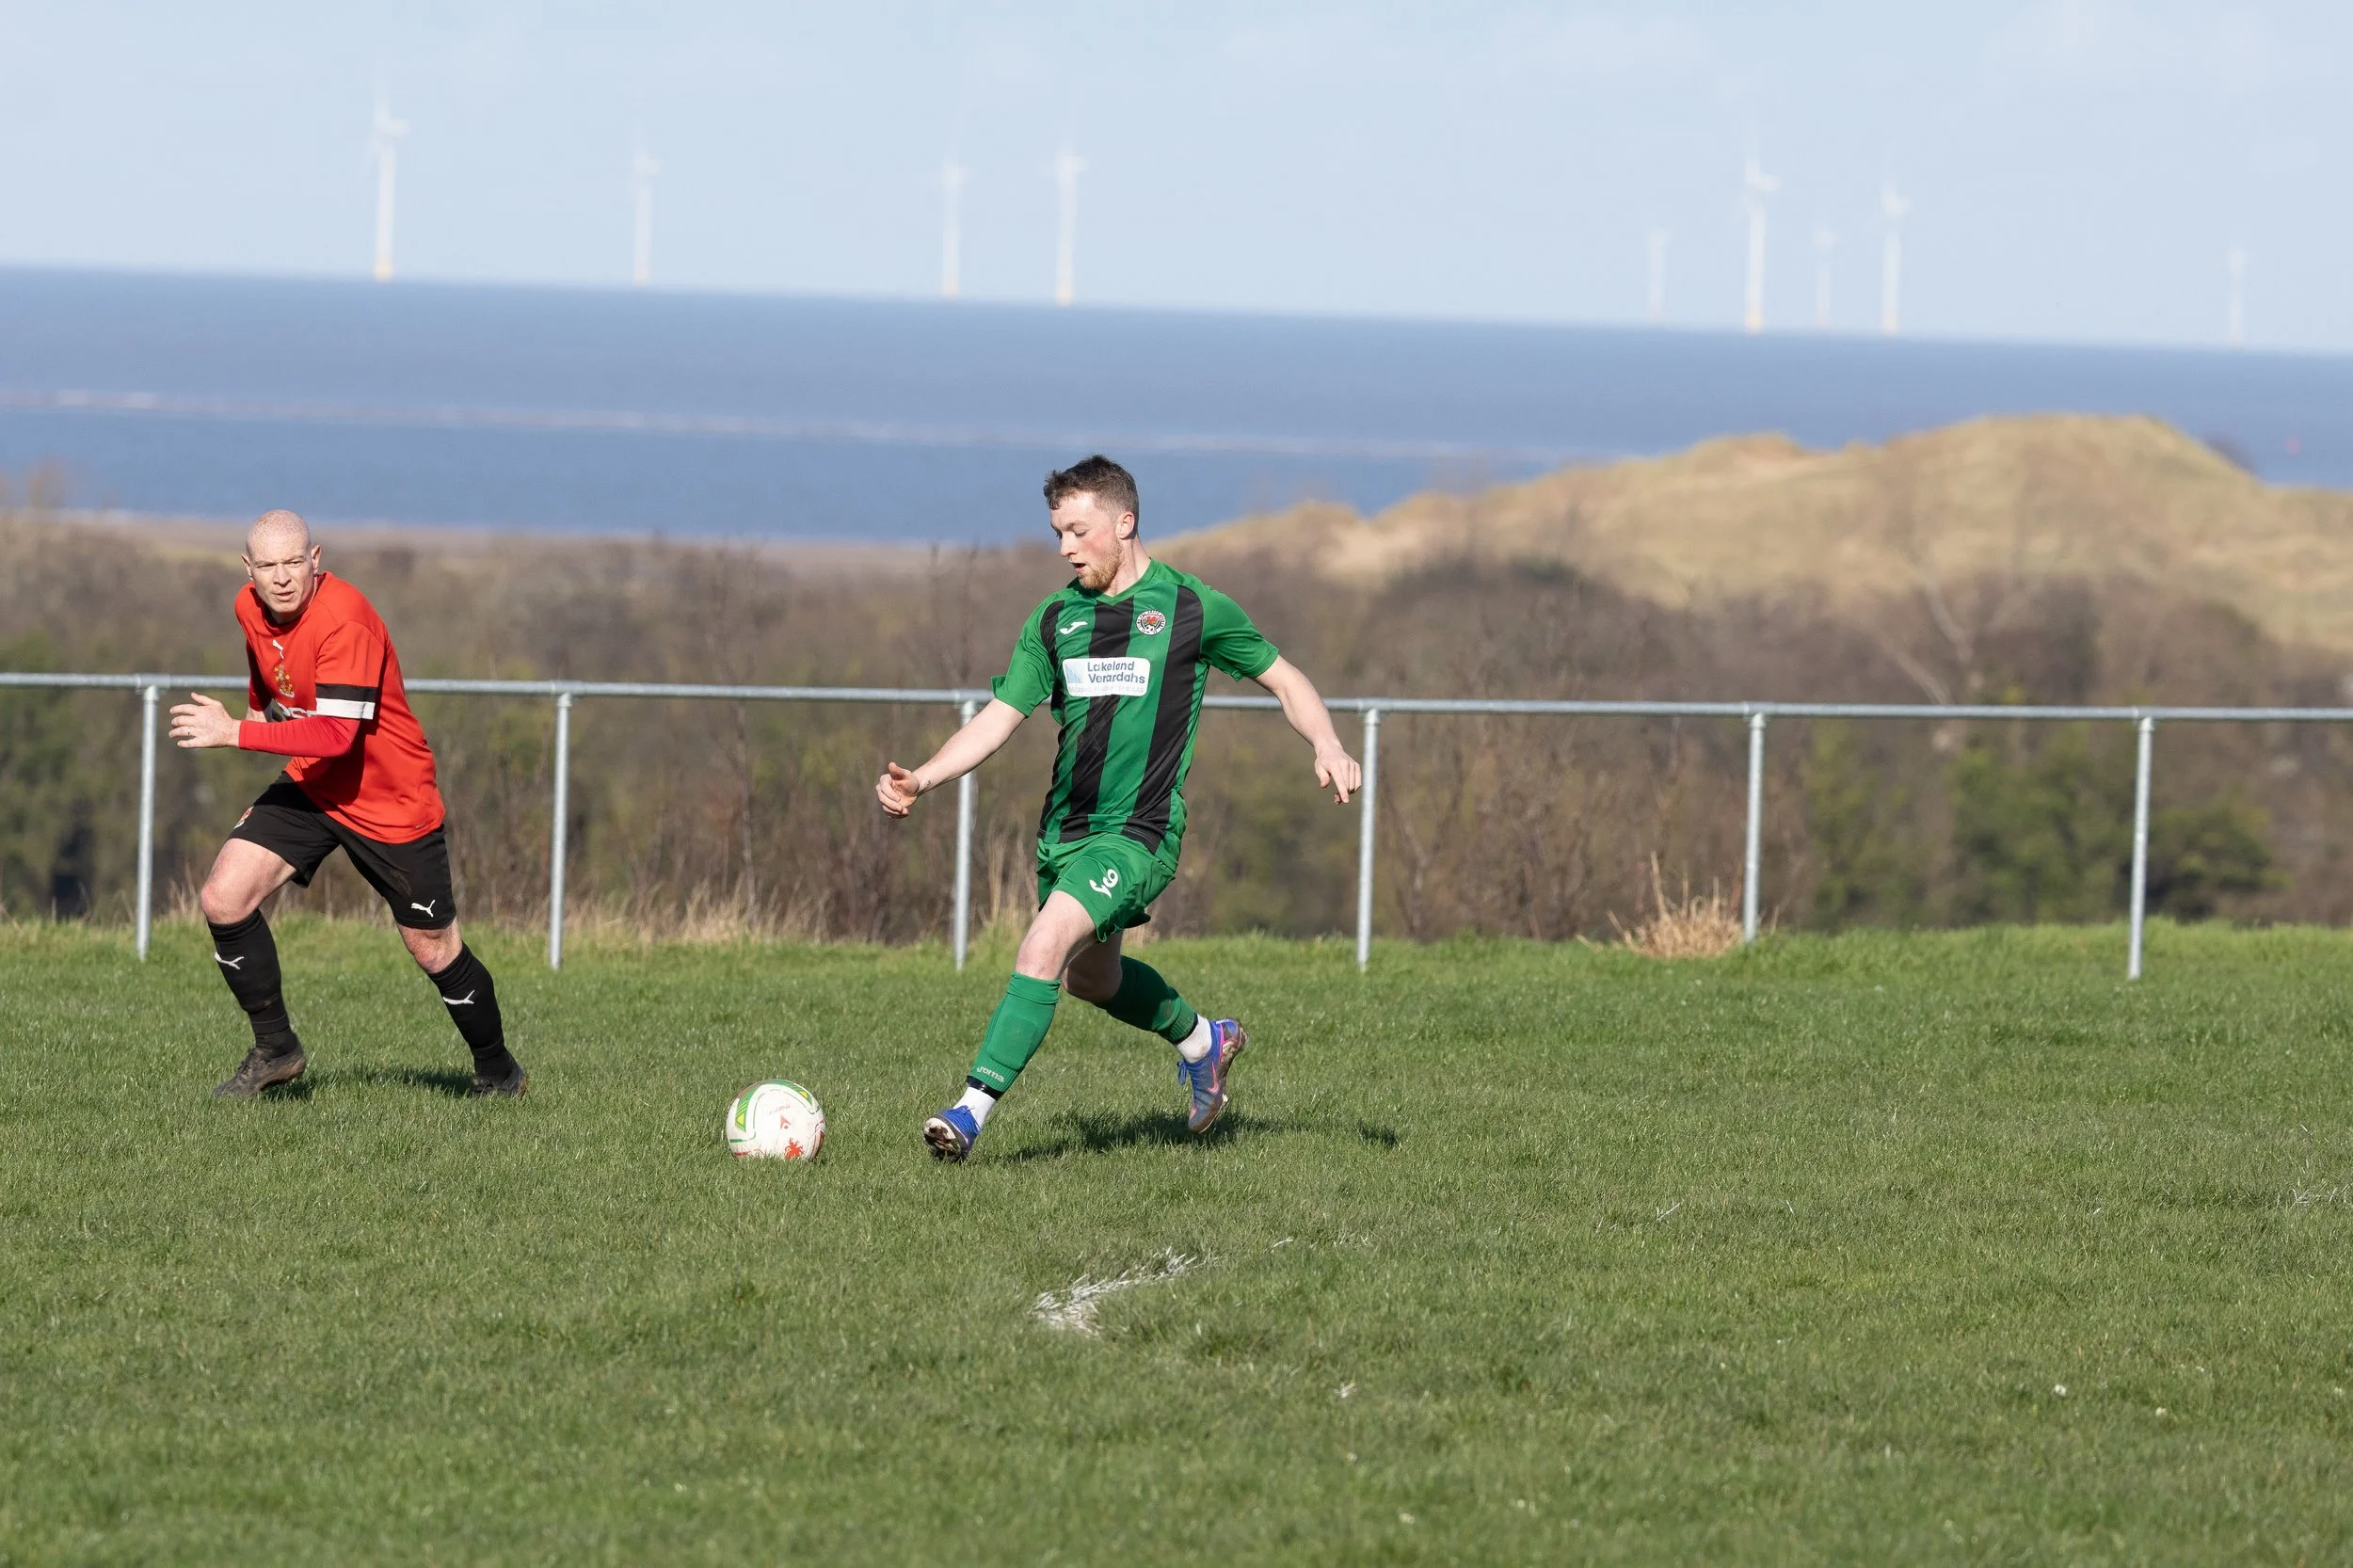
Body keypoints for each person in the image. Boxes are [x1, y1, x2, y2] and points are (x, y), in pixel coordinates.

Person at [876, 456, 1360, 1160]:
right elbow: (999, 718)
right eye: (1058, 535)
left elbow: (1284, 679)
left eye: (1078, 531)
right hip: (1064, 835)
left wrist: (1327, 742)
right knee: (1090, 979)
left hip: (1138, 834)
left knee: (1041, 948)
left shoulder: (1192, 608)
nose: (1066, 549)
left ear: (1123, 522)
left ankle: (969, 1111)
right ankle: (1205, 1040)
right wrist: (923, 777)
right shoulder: (1053, 620)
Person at [168, 510, 526, 1099]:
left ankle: (498, 1070)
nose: (281, 578)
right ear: (248, 569)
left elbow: (338, 736)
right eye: (268, 565)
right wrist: (260, 708)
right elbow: (266, 662)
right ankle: (276, 1051)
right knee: (223, 898)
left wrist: (236, 732)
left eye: (293, 563)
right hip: (315, 783)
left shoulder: (345, 621)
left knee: (433, 948)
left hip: (390, 799)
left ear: (315, 560)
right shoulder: (247, 606)